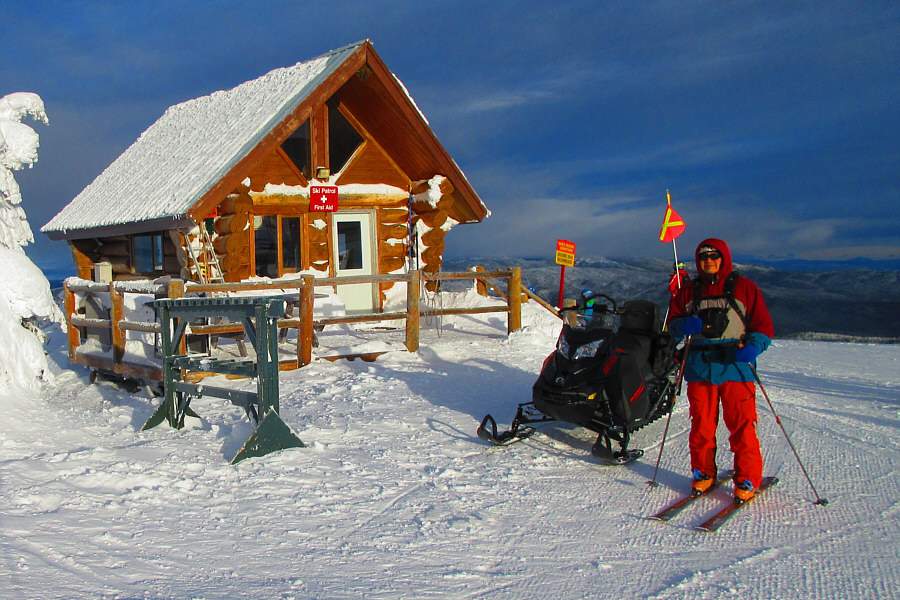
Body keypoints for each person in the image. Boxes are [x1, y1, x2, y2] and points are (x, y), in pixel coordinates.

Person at [666, 238, 774, 503]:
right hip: (700, 367)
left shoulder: (745, 288)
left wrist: (754, 347)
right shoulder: (689, 292)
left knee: (742, 425)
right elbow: (671, 327)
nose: (709, 261)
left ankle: (747, 477)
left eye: (714, 256)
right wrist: (683, 327)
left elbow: (763, 327)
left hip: (735, 366)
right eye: (704, 257)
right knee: (701, 425)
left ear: (723, 258)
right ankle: (703, 473)